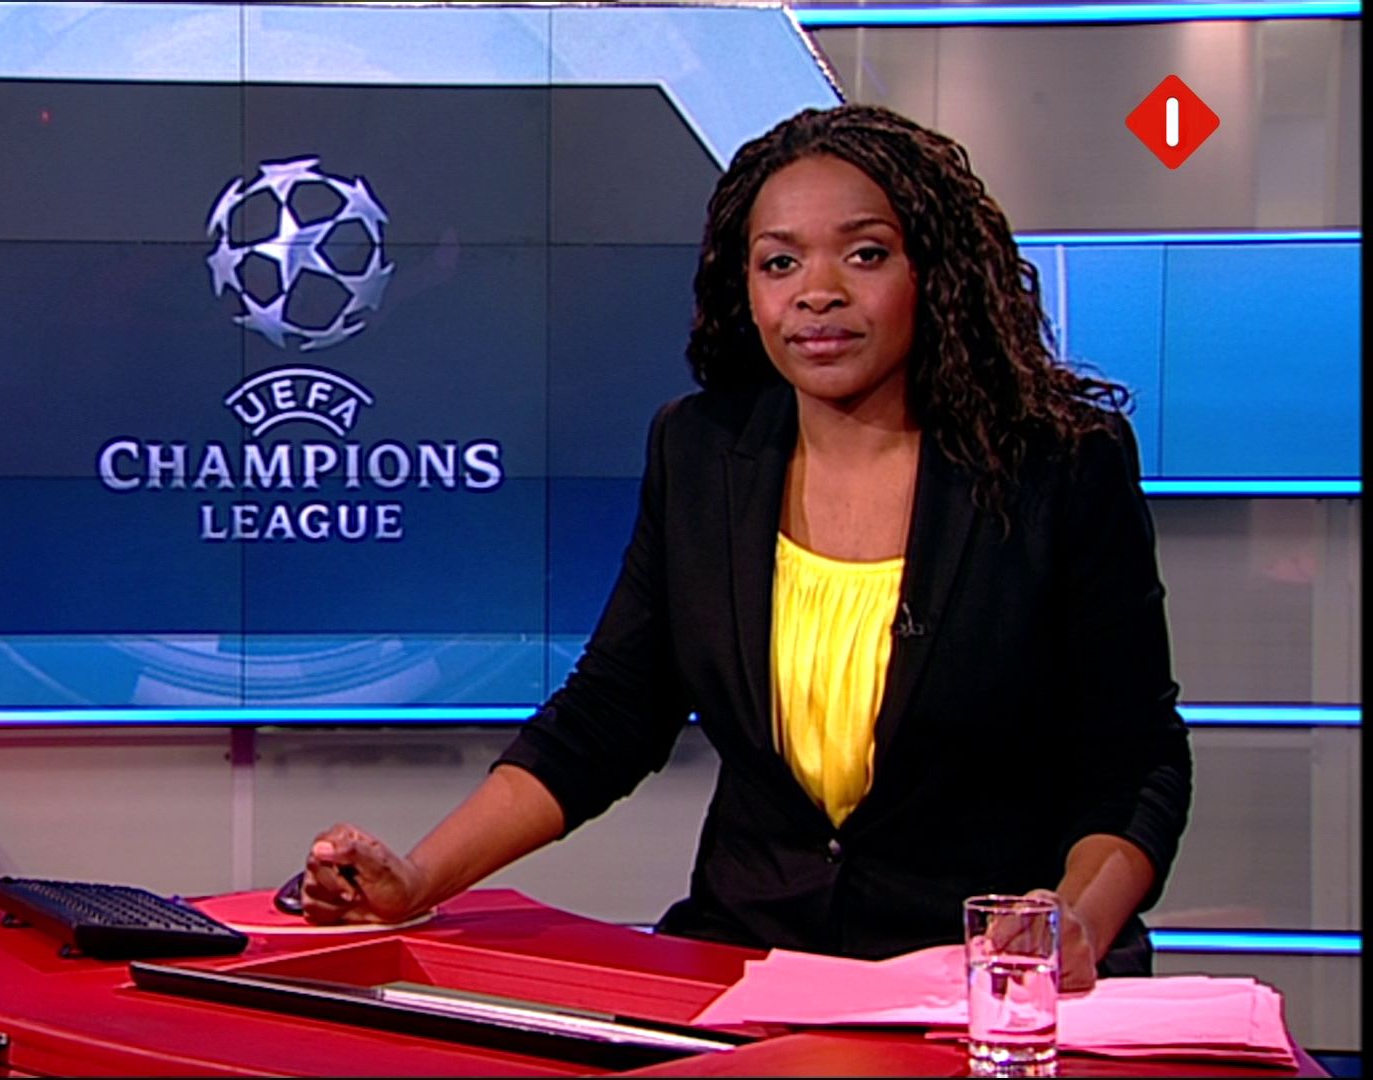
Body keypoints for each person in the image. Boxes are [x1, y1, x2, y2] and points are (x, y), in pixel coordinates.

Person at [299, 104, 1192, 992]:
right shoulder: (701, 452)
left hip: (989, 982)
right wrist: (419, 878)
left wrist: (1070, 922)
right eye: (780, 262)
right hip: (753, 958)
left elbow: (1135, 757)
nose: (817, 292)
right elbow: (609, 716)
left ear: (936, 272)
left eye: (865, 254)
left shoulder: (1056, 467)